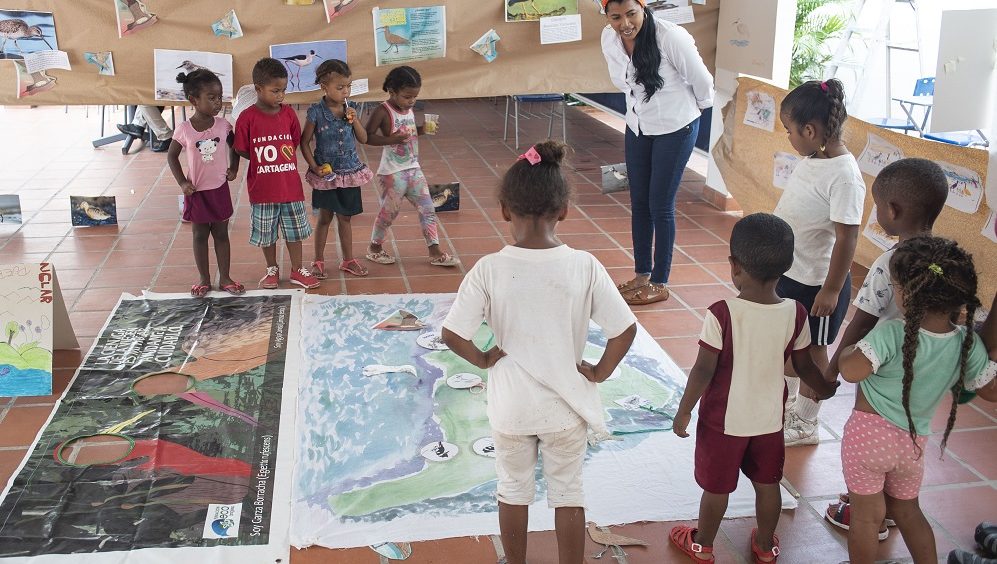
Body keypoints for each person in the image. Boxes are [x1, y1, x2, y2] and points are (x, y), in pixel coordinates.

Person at [441, 141, 637, 564]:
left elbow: (452, 334)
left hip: (511, 405)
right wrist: (600, 372)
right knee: (567, 492)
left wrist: (482, 359)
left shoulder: (488, 269)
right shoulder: (585, 265)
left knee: (512, 488)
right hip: (565, 405)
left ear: (504, 210)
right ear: (564, 209)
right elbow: (624, 329)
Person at [669, 213, 839, 564]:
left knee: (716, 488)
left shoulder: (721, 314)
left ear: (735, 266)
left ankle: (702, 544)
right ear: (787, 267)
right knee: (768, 485)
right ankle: (765, 545)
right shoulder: (796, 312)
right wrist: (824, 386)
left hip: (722, 423)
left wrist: (685, 408)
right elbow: (805, 365)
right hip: (769, 421)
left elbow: (703, 370)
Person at [836, 236, 997, 564]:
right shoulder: (966, 343)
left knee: (867, 518)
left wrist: (848, 352)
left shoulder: (893, 332)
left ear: (907, 295)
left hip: (868, 439)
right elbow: (990, 391)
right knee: (908, 512)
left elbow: (852, 371)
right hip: (912, 444)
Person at [822, 158, 948, 536]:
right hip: (924, 390)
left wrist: (831, 371)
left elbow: (862, 323)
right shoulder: (949, 260)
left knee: (873, 450)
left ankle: (867, 511)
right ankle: (890, 505)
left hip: (880, 382)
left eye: (877, 205)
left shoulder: (887, 264)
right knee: (904, 453)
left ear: (893, 211)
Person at [601, 0, 714, 305]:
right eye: (616, 17)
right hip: (638, 125)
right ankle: (641, 275)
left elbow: (704, 83)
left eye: (631, 14)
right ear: (607, 16)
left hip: (676, 126)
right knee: (639, 201)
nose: (625, 23)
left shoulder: (669, 36)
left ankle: (660, 282)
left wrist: (693, 116)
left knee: (660, 204)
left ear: (643, 8)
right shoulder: (609, 39)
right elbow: (625, 84)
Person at [773, 78, 865, 446]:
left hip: (819, 285)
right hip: (793, 273)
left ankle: (807, 422)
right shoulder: (813, 159)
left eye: (789, 131)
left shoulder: (845, 176)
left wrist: (830, 289)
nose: (788, 139)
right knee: (788, 344)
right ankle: (788, 406)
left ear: (810, 130)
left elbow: (848, 237)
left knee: (814, 350)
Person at [233, 57, 319, 290]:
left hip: (289, 187)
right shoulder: (246, 118)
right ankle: (271, 269)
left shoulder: (289, 114)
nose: (281, 95)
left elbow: (292, 143)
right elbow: (241, 148)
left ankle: (297, 269)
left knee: (295, 232)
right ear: (259, 89)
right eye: (275, 91)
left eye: (283, 90)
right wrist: (262, 157)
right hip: (262, 190)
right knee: (266, 233)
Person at [364, 66, 458, 267]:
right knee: (389, 213)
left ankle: (434, 251)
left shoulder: (409, 108)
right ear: (392, 91)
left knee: (428, 209)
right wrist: (391, 139)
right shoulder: (382, 111)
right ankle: (375, 248)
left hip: (413, 168)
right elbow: (367, 137)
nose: (411, 101)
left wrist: (422, 130)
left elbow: (411, 133)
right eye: (407, 97)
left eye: (415, 97)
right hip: (392, 173)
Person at [166, 69, 243, 297]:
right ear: (193, 100)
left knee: (221, 234)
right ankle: (204, 279)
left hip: (219, 190)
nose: (217, 102)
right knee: (199, 235)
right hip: (197, 192)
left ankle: (226, 278)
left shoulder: (223, 125)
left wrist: (234, 168)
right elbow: (171, 156)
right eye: (211, 98)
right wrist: (182, 183)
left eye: (219, 97)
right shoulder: (184, 130)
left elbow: (235, 147)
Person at [300, 59, 374, 278]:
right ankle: (318, 260)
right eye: (340, 87)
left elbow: (364, 138)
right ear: (324, 87)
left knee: (345, 217)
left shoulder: (350, 110)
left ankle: (348, 260)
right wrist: (314, 167)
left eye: (348, 86)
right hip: (327, 174)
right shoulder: (315, 112)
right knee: (324, 217)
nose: (345, 91)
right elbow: (304, 142)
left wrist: (355, 121)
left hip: (350, 172)